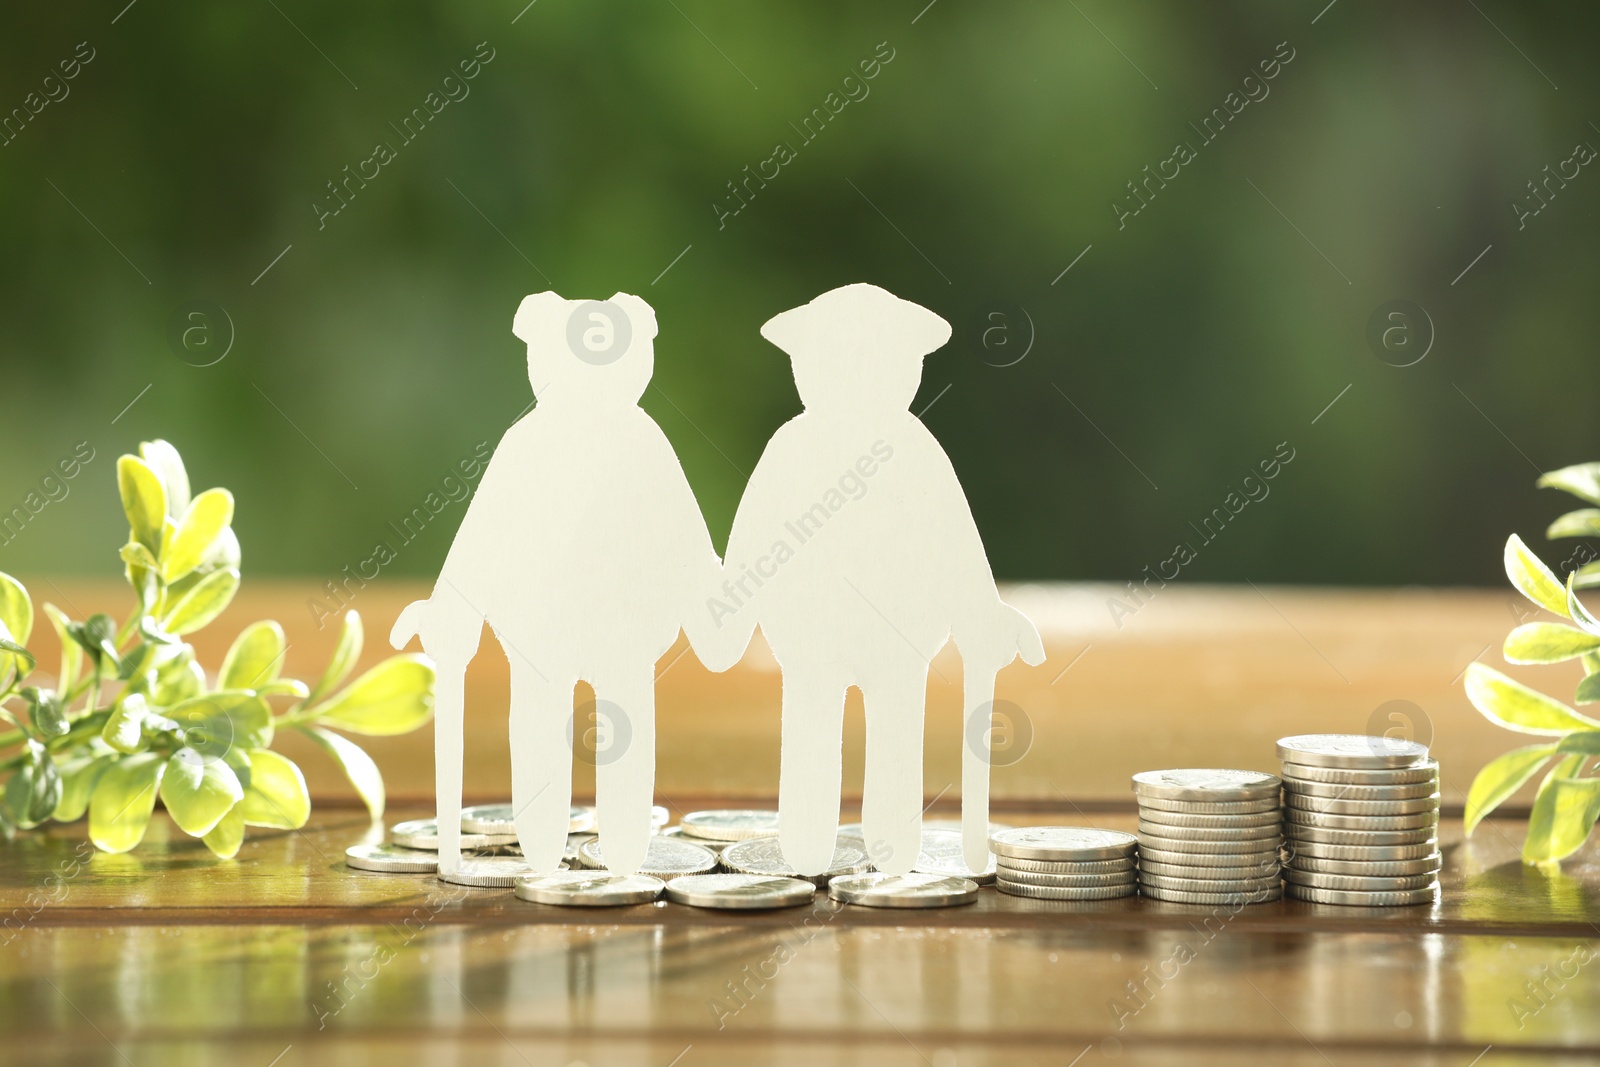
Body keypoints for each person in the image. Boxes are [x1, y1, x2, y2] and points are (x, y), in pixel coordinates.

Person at [698, 283, 1044, 876]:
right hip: (811, 634)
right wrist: (729, 611)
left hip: (899, 637)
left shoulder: (915, 448)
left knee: (894, 740)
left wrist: (984, 614)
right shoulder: (793, 446)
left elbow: (955, 544)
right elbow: (755, 537)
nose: (858, 376)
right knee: (812, 731)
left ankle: (889, 854)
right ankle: (807, 849)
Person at [391, 292, 723, 876]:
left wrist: (714, 605)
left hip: (622, 627)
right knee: (545, 726)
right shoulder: (529, 443)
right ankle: (545, 851)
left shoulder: (640, 442)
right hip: (542, 630)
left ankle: (620, 854)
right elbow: (482, 537)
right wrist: (449, 612)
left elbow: (686, 540)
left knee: (614, 727)